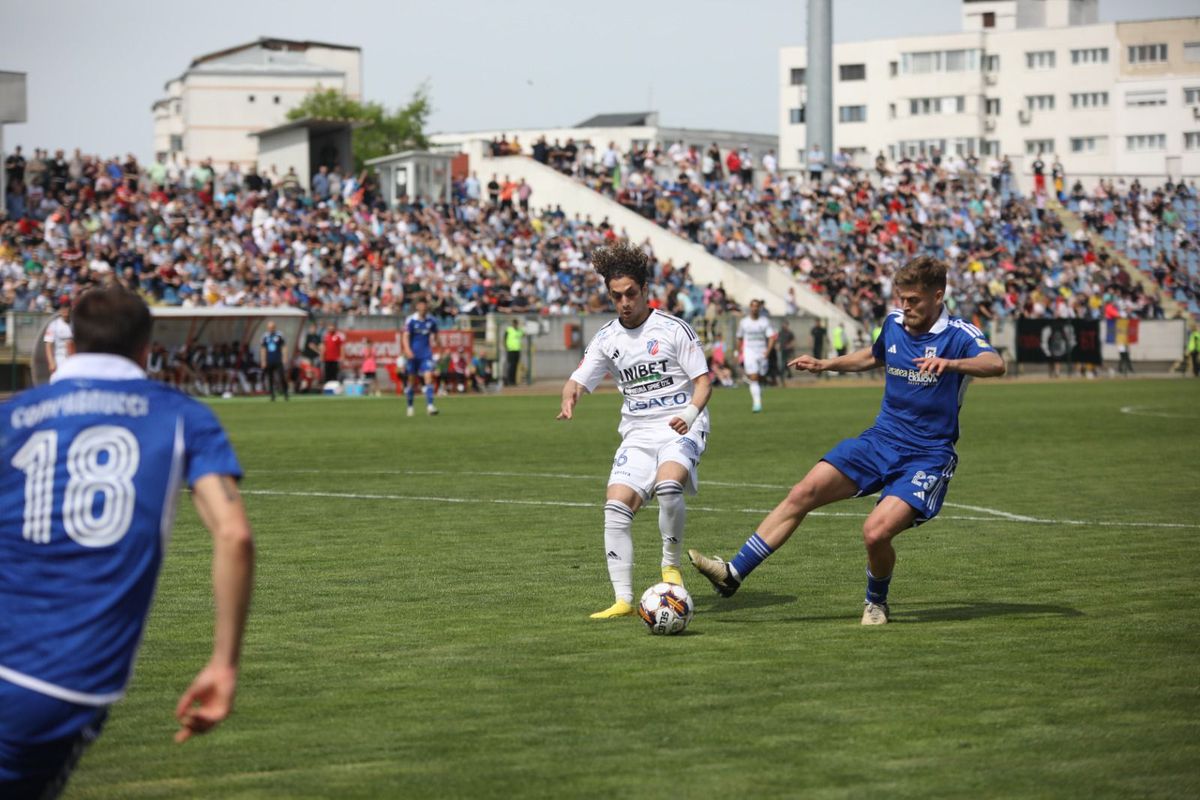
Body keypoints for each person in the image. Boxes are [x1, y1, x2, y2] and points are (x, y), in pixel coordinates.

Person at [0, 286, 254, 797]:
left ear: (69, 345)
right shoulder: (181, 415)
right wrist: (224, 663)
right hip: (53, 675)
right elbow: (235, 535)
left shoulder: (12, 415)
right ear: (146, 348)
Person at [689, 256, 1004, 625]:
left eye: (914, 300)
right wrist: (826, 364)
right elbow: (873, 356)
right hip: (880, 440)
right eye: (901, 298)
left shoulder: (959, 334)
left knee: (874, 533)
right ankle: (733, 574)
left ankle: (876, 602)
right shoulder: (894, 323)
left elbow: (994, 363)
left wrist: (950, 364)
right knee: (802, 492)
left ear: (939, 296)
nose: (905, 307)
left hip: (927, 455)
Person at [557, 240, 713, 619]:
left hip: (681, 424)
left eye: (630, 293)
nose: (624, 302)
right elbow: (578, 378)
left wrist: (690, 416)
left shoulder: (674, 329)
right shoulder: (608, 338)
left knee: (669, 484)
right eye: (616, 296)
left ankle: (669, 564)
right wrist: (571, 394)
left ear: (645, 291)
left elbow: (704, 382)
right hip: (638, 434)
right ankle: (624, 600)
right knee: (614, 507)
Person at [736, 299, 776, 413]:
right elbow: (739, 337)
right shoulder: (744, 322)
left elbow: (771, 337)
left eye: (756, 306)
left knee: (761, 377)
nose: (754, 308)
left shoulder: (764, 321)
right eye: (752, 306)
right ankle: (757, 404)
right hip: (749, 352)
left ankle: (758, 395)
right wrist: (738, 352)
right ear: (750, 307)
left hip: (762, 352)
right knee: (753, 377)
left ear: (759, 308)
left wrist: (768, 351)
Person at [402, 297, 439, 417]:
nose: (423, 307)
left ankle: (430, 406)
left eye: (425, 305)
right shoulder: (411, 320)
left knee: (428, 378)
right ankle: (410, 406)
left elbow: (436, 334)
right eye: (421, 305)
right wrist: (407, 350)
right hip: (413, 355)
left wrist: (439, 346)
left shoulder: (431, 320)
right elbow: (405, 336)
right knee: (411, 382)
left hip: (426, 354)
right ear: (417, 306)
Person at [43, 301, 74, 376]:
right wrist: (51, 362)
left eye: (67, 307)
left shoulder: (75, 324)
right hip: (59, 358)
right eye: (63, 307)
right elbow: (48, 345)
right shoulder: (54, 325)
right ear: (60, 310)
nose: (65, 310)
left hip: (73, 359)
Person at [260, 321, 288, 401]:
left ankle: (285, 393)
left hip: (278, 359)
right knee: (270, 378)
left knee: (282, 376)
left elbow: (284, 346)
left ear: (275, 327)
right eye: (269, 327)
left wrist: (285, 357)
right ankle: (272, 395)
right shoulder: (265, 336)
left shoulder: (279, 335)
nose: (271, 329)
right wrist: (263, 360)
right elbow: (263, 349)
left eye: (272, 327)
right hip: (269, 359)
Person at [504, 318, 524, 387]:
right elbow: (505, 338)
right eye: (514, 323)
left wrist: (522, 327)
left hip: (517, 349)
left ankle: (513, 381)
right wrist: (506, 347)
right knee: (510, 366)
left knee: (515, 366)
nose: (515, 324)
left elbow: (523, 334)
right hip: (510, 350)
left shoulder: (519, 330)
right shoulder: (509, 330)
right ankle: (508, 380)